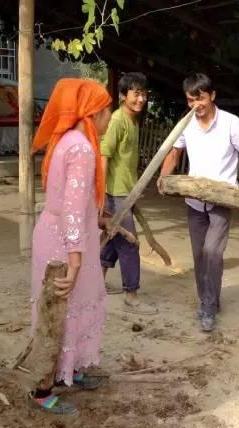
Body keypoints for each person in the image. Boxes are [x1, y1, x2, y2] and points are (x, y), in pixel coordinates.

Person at [28, 78, 113, 415]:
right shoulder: (82, 148)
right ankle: (41, 389)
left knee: (75, 304)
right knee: (57, 313)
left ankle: (71, 370)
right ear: (93, 112)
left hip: (63, 233)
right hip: (65, 242)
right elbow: (73, 209)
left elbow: (71, 199)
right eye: (107, 111)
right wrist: (75, 259)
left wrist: (97, 219)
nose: (110, 118)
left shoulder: (67, 139)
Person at [159, 73, 239, 332]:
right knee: (200, 256)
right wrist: (163, 178)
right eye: (190, 100)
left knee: (213, 252)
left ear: (211, 96)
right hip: (193, 201)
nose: (195, 105)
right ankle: (209, 299)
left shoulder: (231, 124)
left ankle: (208, 307)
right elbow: (175, 152)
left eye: (200, 98)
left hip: (222, 200)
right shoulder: (187, 124)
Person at [100, 72, 156, 315]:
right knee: (129, 244)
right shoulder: (117, 120)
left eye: (144, 94)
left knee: (115, 238)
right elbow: (104, 156)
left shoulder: (133, 120)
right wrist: (101, 196)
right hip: (115, 193)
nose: (141, 99)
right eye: (136, 93)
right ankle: (131, 296)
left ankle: (96, 283)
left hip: (127, 192)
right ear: (123, 96)